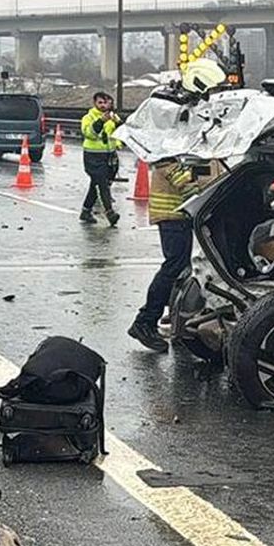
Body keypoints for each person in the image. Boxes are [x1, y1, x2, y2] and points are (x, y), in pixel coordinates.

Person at [128, 159, 219, 352]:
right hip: (173, 217)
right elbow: (185, 183)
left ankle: (176, 318)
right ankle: (145, 321)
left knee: (182, 268)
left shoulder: (174, 158)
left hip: (178, 218)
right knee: (174, 268)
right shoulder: (168, 159)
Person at [79, 92, 122, 227]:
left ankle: (86, 211)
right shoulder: (88, 117)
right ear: (95, 103)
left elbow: (120, 134)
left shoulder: (113, 117)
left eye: (106, 102)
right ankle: (109, 213)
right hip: (93, 156)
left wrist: (119, 124)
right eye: (100, 103)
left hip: (109, 155)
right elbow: (89, 134)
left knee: (97, 184)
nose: (103, 105)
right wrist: (101, 121)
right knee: (101, 183)